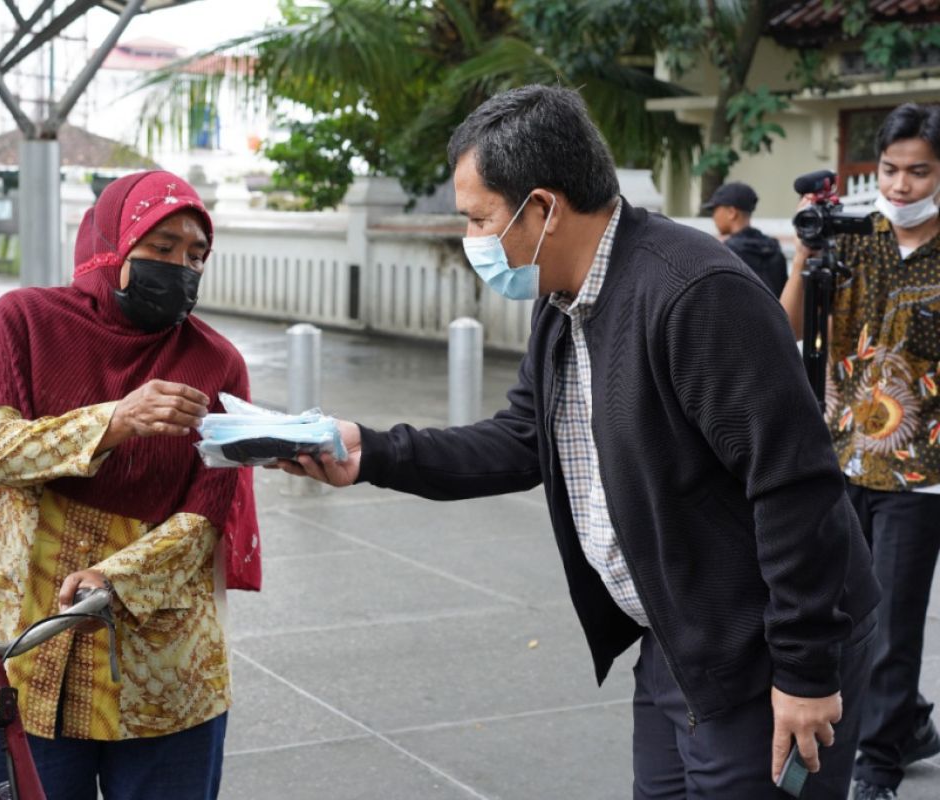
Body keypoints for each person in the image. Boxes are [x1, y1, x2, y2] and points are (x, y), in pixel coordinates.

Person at [276, 85, 880, 799]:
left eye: (478, 219)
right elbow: (523, 437)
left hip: (768, 646)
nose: (472, 240)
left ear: (542, 208)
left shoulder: (695, 293)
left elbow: (796, 484)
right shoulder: (563, 302)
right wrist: (372, 451)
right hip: (677, 636)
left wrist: (806, 671)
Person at [0, 170, 260, 800]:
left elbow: (206, 515)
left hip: (161, 663)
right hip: (23, 646)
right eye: (162, 247)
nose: (182, 267)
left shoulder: (216, 361)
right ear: (113, 244)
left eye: (196, 255)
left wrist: (115, 576)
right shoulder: (27, 320)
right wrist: (116, 420)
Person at [780, 102, 940, 800]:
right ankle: (911, 722)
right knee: (839, 614)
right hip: (840, 457)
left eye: (919, 173)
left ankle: (876, 767)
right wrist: (802, 261)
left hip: (922, 473)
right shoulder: (851, 238)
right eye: (889, 170)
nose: (901, 186)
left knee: (894, 626)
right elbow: (784, 325)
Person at [703, 181, 789, 296]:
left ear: (731, 213)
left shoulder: (726, 252)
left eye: (715, 210)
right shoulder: (773, 249)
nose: (713, 217)